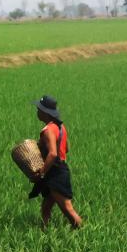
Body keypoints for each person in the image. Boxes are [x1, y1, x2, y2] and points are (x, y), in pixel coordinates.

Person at [29, 95, 82, 228]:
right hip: (60, 168)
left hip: (55, 172)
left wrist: (42, 173)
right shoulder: (60, 127)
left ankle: (82, 230)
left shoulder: (47, 131)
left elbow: (52, 154)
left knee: (67, 209)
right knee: (46, 206)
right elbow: (66, 148)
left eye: (39, 109)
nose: (37, 112)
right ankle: (44, 230)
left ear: (45, 113)